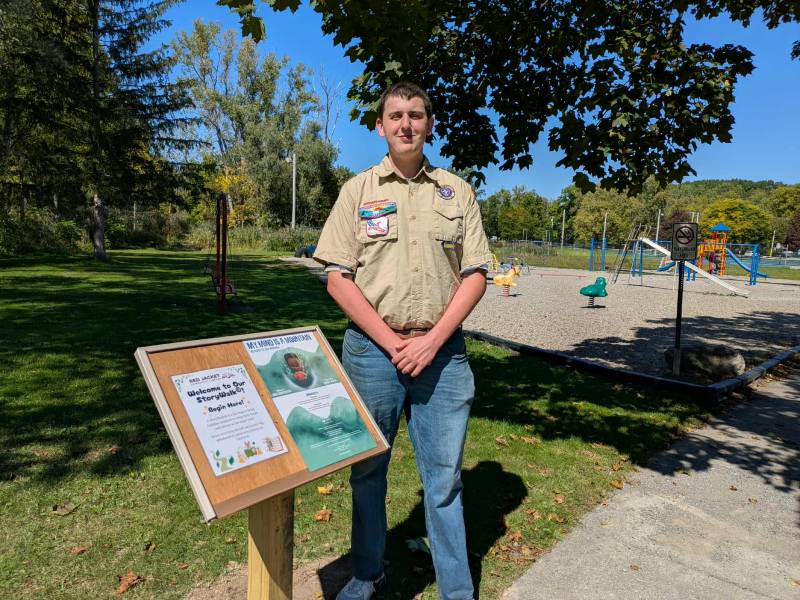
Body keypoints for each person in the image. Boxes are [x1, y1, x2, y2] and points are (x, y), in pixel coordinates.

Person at [313, 81, 492, 600]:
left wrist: (432, 341)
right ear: (380, 126)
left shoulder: (457, 192)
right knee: (368, 471)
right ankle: (368, 573)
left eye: (416, 114)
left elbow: (477, 273)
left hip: (443, 355)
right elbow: (338, 279)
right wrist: (393, 342)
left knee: (443, 481)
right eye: (396, 115)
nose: (406, 124)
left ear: (430, 123)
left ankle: (456, 589)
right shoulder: (357, 191)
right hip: (373, 354)